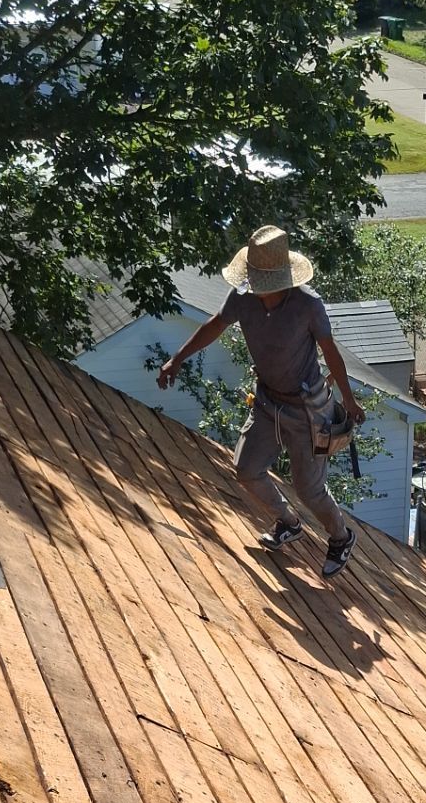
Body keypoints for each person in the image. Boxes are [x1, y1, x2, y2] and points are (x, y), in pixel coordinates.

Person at [157, 226, 366, 578]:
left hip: (308, 409)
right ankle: (288, 522)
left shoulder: (308, 306)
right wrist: (177, 359)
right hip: (268, 401)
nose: (258, 287)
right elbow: (216, 324)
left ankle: (341, 537)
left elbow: (331, 353)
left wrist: (348, 399)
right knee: (246, 470)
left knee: (309, 489)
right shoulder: (242, 297)